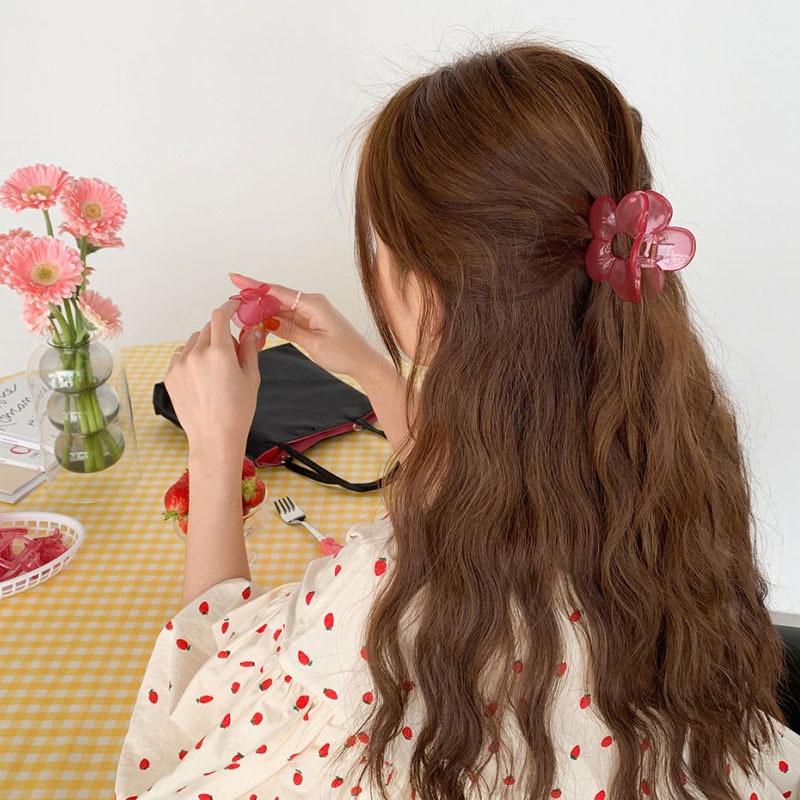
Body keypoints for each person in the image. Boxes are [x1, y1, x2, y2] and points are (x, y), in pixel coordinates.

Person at [116, 41, 800, 800]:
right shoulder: (675, 456)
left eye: (382, 242)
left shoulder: (388, 602)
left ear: (432, 291)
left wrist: (214, 451)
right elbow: (499, 488)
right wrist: (375, 371)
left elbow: (215, 686)